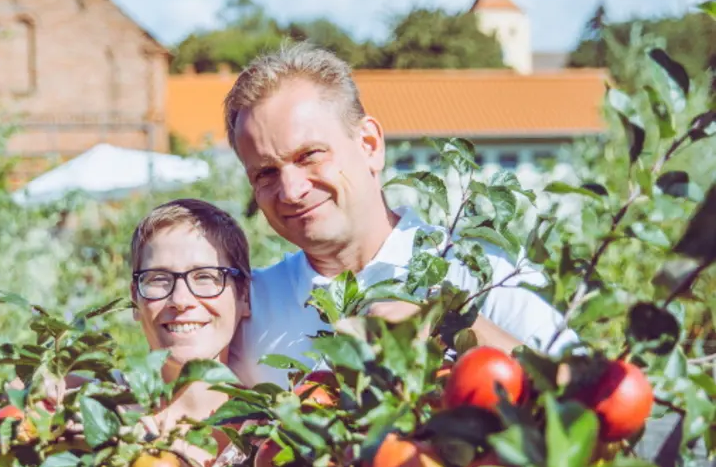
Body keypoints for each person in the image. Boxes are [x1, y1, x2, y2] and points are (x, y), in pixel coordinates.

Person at [224, 41, 577, 388]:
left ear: (369, 145)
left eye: (310, 155)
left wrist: (455, 327)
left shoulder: (479, 272)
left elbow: (594, 403)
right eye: (265, 173)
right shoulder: (249, 308)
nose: (291, 190)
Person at [0, 198, 252, 467]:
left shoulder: (273, 437)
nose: (181, 300)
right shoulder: (78, 419)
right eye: (159, 279)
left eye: (207, 276)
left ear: (243, 295)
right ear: (135, 299)